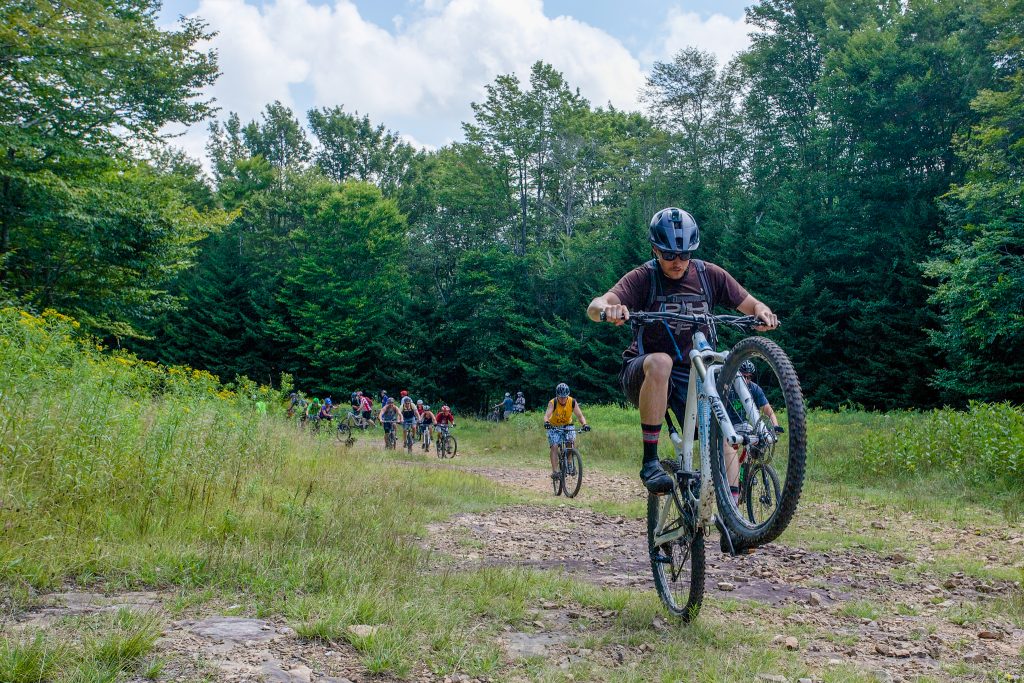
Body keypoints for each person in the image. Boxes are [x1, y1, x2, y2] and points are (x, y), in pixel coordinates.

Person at [587, 207, 778, 494]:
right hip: (646, 372)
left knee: (725, 434)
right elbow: (595, 305)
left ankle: (733, 520)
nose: (678, 262)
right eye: (669, 255)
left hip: (696, 375)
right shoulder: (643, 277)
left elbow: (751, 304)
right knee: (662, 361)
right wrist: (609, 309)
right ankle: (650, 462)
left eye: (685, 255)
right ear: (655, 250)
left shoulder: (708, 275)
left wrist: (762, 312)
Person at [724, 360, 784, 502]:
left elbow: (768, 411)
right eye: (742, 376)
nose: (746, 380)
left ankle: (746, 474)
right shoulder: (727, 387)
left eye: (749, 377)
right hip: (726, 425)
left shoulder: (754, 389)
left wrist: (775, 427)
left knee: (759, 440)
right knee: (729, 449)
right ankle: (732, 475)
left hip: (742, 424)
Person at [543, 383, 590, 482]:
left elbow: (580, 416)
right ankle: (555, 472)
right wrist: (547, 422)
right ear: (557, 395)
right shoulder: (553, 402)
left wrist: (584, 424)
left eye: (565, 397)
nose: (563, 399)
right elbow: (546, 415)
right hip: (554, 426)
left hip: (567, 425)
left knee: (571, 441)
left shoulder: (572, 401)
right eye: (561, 397)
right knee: (554, 446)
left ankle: (569, 463)